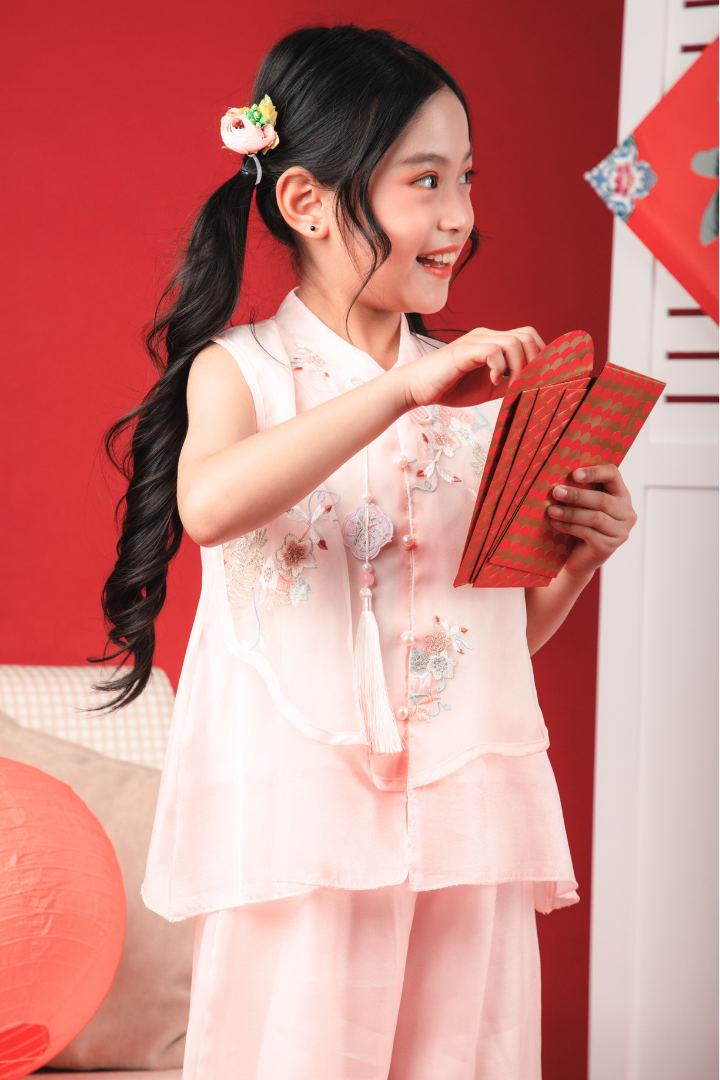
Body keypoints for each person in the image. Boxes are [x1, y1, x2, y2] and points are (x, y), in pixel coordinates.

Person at [98, 24, 637, 1080]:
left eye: (467, 178)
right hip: (304, 819)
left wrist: (577, 560)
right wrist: (401, 391)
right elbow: (209, 504)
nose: (460, 215)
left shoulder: (477, 394)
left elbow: (489, 636)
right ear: (307, 201)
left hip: (467, 814)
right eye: (425, 180)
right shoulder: (243, 371)